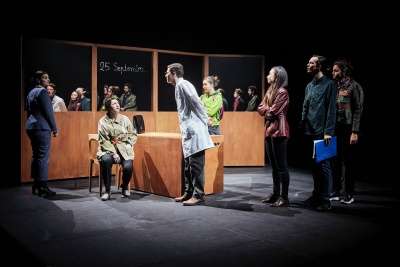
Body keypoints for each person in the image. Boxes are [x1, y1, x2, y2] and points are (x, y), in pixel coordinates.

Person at [165, 63, 214, 206]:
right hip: (189, 132)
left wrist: (205, 119)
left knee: (196, 165)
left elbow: (195, 101)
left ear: (173, 72)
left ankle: (198, 195)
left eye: (167, 72)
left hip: (195, 131)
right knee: (188, 165)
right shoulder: (178, 86)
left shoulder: (183, 84)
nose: (165, 75)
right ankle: (188, 192)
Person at [301, 55, 337, 211]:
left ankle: (325, 199)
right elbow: (305, 106)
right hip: (310, 130)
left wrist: (328, 131)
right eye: (308, 62)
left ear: (319, 66)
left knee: (324, 166)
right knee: (314, 166)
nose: (308, 64)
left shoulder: (329, 85)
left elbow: (331, 110)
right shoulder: (309, 86)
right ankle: (316, 195)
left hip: (323, 132)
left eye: (311, 63)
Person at [330, 59, 364, 204]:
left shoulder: (354, 86)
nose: (333, 73)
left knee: (348, 161)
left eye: (336, 70)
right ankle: (336, 191)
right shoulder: (334, 86)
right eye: (332, 70)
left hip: (348, 128)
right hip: (335, 127)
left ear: (343, 72)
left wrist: (355, 131)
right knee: (335, 160)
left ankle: (349, 193)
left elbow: (358, 109)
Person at [257, 66, 290, 207]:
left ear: (276, 76)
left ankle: (284, 197)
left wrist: (267, 110)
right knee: (274, 167)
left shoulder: (282, 92)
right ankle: (275, 194)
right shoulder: (270, 90)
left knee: (281, 166)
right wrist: (267, 110)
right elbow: (260, 108)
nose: (267, 76)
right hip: (269, 130)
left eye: (270, 74)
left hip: (279, 131)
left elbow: (273, 112)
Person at [97, 97, 137, 201]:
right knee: (106, 160)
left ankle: (124, 187)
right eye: (114, 103)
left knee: (128, 166)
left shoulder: (125, 119)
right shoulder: (103, 121)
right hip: (108, 149)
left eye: (118, 103)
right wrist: (113, 153)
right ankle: (107, 190)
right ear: (109, 107)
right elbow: (104, 140)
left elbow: (133, 134)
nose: (117, 105)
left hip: (124, 148)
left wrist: (129, 144)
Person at [26, 71, 58, 197]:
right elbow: (49, 112)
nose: (47, 79)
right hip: (41, 127)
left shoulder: (31, 92)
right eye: (45, 78)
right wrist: (54, 128)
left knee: (36, 156)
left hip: (31, 126)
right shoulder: (42, 92)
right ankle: (43, 187)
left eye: (48, 77)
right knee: (43, 157)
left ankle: (36, 184)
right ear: (38, 80)